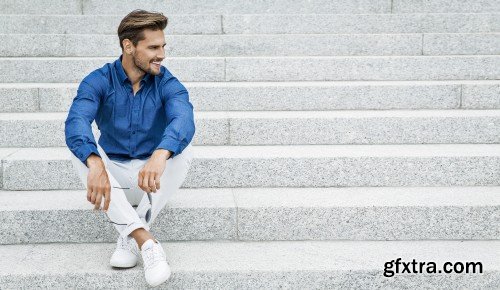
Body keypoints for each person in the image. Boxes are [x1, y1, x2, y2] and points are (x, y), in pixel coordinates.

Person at [64, 9, 195, 287]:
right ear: (128, 46)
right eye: (153, 47)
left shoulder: (167, 82)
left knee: (182, 148)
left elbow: (184, 119)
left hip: (152, 179)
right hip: (114, 176)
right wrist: (96, 163)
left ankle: (127, 234)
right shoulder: (98, 80)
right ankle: (145, 240)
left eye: (163, 46)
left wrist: (160, 155)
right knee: (82, 152)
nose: (161, 54)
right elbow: (76, 122)